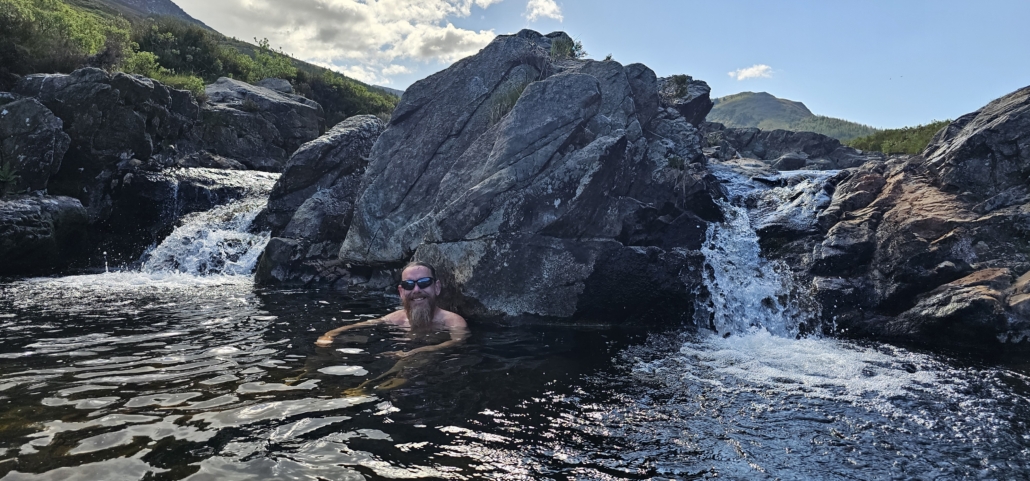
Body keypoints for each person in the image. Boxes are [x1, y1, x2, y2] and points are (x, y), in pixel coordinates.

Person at [315, 261, 468, 358]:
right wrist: (330, 334)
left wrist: (418, 352)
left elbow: (457, 341)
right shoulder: (396, 318)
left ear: (436, 287)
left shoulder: (452, 321)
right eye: (409, 285)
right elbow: (362, 325)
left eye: (424, 282)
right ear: (401, 292)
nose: (416, 290)